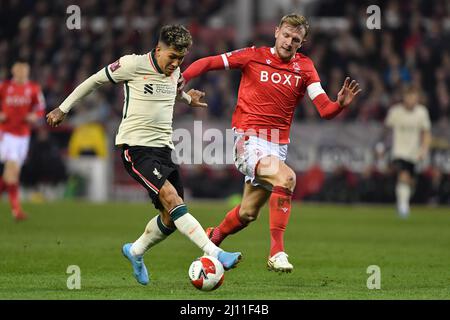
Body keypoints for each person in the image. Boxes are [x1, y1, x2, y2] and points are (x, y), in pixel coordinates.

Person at [46, 24, 241, 285]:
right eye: (172, 57)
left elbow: (171, 90)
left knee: (171, 218)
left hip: (164, 150)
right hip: (135, 148)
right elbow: (94, 80)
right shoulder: (132, 64)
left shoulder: (175, 72)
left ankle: (135, 251)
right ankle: (215, 252)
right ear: (158, 49)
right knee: (172, 200)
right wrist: (63, 108)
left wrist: (187, 99)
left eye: (181, 59)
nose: (176, 64)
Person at [181, 13, 361, 272]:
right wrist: (183, 77)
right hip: (248, 140)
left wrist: (339, 105)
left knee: (247, 213)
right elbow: (209, 62)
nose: (289, 42)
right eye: (286, 35)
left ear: (302, 42)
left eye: (296, 39)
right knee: (286, 178)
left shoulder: (305, 67)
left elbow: (324, 109)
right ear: (277, 32)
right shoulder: (253, 55)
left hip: (276, 146)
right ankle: (276, 252)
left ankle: (213, 239)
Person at [0, 60, 45, 221]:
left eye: (24, 69)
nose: (21, 72)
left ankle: (16, 209)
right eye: (18, 68)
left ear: (27, 71)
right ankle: (16, 210)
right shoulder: (4, 87)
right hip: (7, 134)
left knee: (11, 175)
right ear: (13, 70)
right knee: (11, 170)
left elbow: (40, 108)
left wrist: (35, 116)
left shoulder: (33, 88)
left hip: (24, 135)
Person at [384, 86, 431, 217]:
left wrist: (424, 149)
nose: (411, 100)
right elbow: (386, 131)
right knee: (403, 175)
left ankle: (402, 202)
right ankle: (403, 207)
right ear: (404, 97)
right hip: (399, 151)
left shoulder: (422, 112)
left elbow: (426, 133)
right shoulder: (395, 112)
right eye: (409, 96)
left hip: (414, 153)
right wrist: (382, 147)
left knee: (409, 181)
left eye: (414, 97)